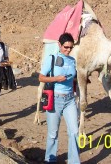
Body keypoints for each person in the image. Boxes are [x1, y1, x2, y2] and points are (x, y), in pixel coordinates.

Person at [39, 32, 80, 164]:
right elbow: (41, 77)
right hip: (55, 99)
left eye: (70, 48)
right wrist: (56, 79)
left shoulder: (73, 60)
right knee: (53, 133)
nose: (68, 50)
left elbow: (74, 77)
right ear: (59, 45)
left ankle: (74, 161)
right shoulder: (51, 58)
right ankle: (50, 160)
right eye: (65, 47)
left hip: (70, 100)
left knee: (74, 131)